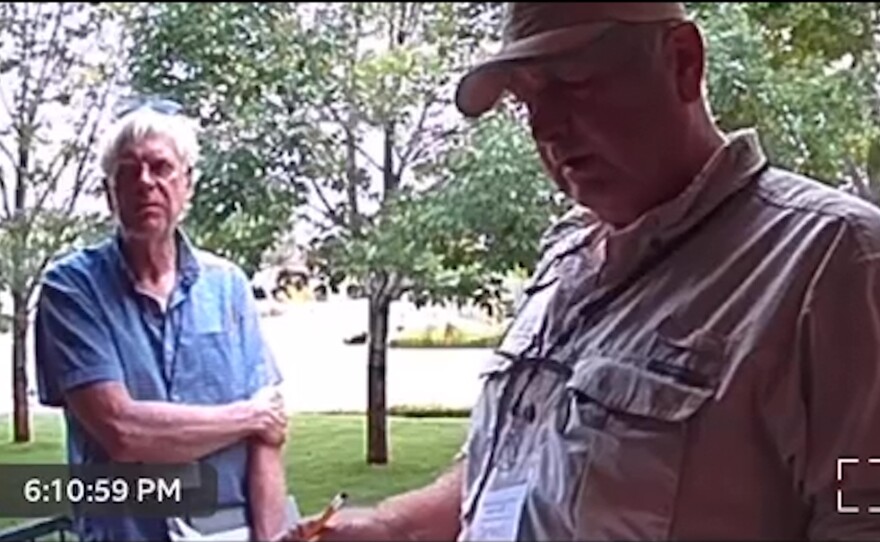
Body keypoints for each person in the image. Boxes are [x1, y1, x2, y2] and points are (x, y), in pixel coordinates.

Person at [284, 2, 880, 541]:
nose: (545, 127)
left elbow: (862, 512)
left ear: (682, 61)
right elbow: (519, 461)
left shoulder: (837, 264)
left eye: (573, 82)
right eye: (527, 101)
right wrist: (394, 526)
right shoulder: (566, 256)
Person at [35, 99, 292, 542]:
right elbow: (123, 432)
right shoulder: (71, 289)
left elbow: (267, 443)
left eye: (161, 167)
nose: (145, 182)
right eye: (128, 172)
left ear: (187, 184)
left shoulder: (228, 286)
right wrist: (249, 417)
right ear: (109, 193)